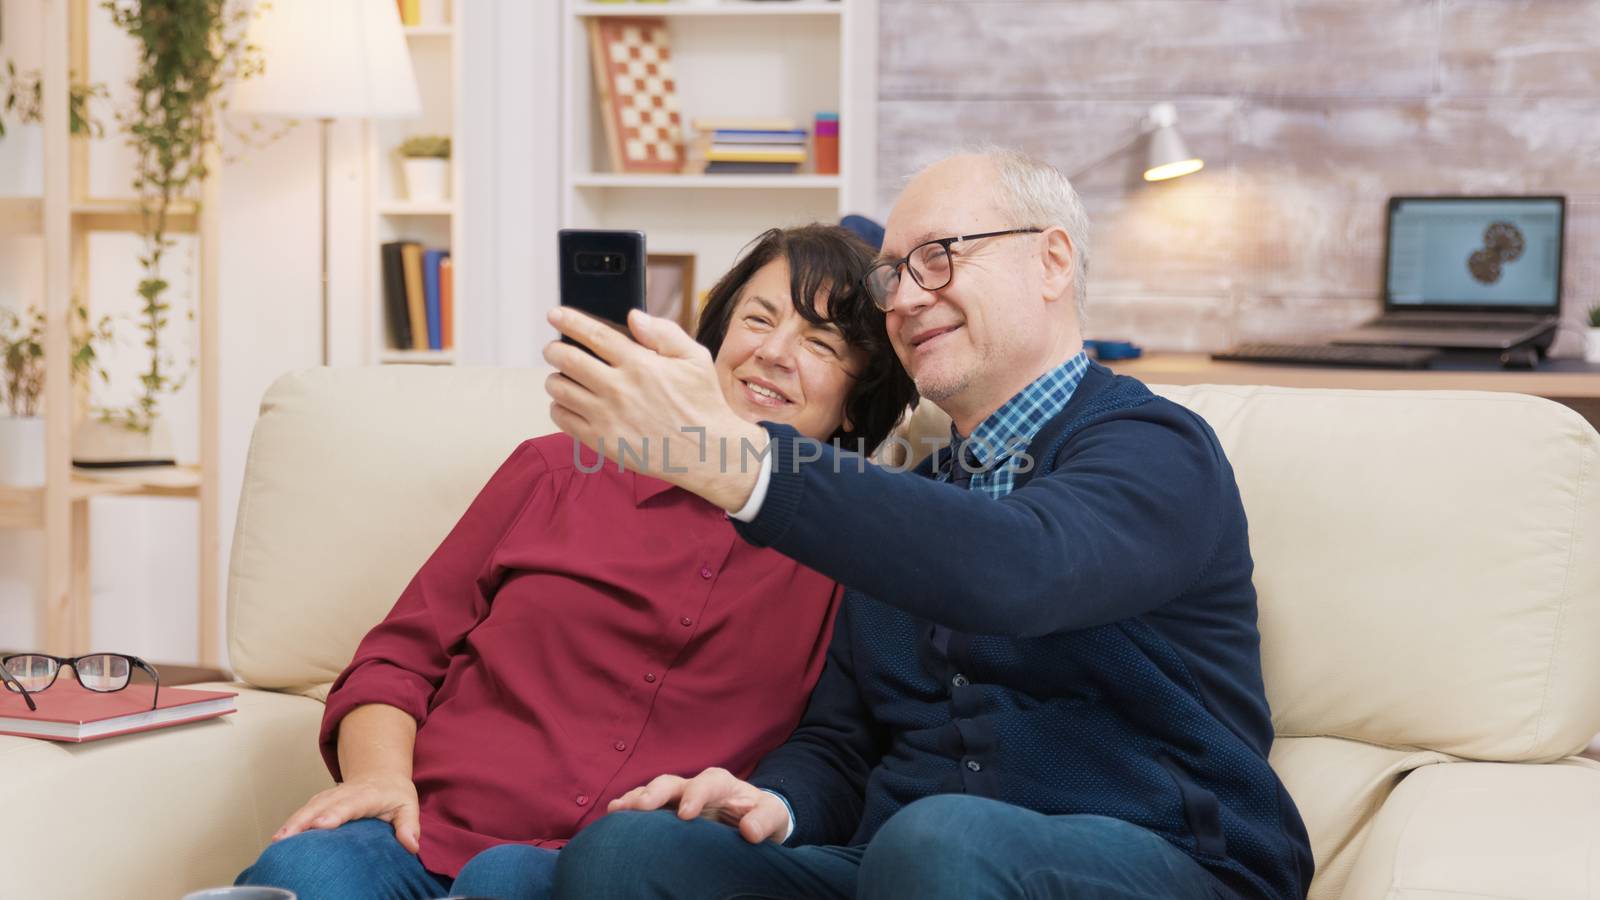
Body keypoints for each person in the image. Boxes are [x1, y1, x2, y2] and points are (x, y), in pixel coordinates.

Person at [541, 148, 1315, 900]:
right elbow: (842, 747)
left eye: (939, 257)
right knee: (629, 855)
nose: (904, 300)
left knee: (940, 841)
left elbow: (1023, 569)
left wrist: (726, 454)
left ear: (1051, 262)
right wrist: (773, 806)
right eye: (892, 275)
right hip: (901, 866)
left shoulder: (1157, 451)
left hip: (1165, 862)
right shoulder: (899, 503)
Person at [233, 224, 918, 900]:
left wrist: (758, 805)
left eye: (821, 344)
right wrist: (380, 780)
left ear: (856, 407)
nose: (773, 352)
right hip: (424, 831)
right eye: (758, 319)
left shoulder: (852, 558)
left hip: (610, 870)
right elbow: (397, 662)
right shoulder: (554, 470)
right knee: (304, 874)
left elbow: (838, 753)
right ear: (712, 341)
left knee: (505, 882)